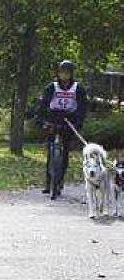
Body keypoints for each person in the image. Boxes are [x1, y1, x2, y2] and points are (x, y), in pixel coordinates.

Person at [30, 60, 88, 193]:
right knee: (51, 152)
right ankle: (49, 182)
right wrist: (41, 121)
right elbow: (43, 105)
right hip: (53, 118)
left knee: (65, 151)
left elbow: (82, 107)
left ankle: (60, 179)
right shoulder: (52, 87)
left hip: (69, 120)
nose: (64, 76)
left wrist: (78, 122)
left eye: (67, 73)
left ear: (71, 74)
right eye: (62, 73)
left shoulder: (78, 89)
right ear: (58, 74)